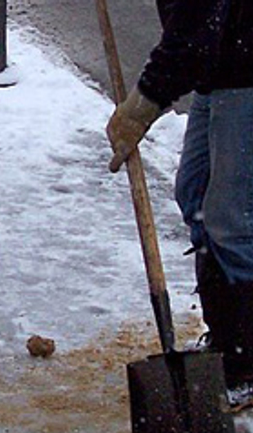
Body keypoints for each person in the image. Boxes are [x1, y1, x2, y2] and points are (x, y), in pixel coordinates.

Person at [106, 0, 253, 391]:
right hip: (225, 66)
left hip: (245, 69)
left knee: (232, 221)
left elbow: (193, 37)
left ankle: (245, 362)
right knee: (195, 194)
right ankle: (224, 340)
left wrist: (144, 102)